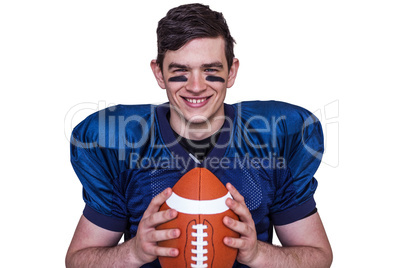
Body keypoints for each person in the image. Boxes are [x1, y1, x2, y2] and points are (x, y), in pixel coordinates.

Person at [66, 3, 332, 268]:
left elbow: (318, 256)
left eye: (211, 71)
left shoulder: (273, 139)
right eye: (180, 72)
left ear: (232, 71)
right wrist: (133, 252)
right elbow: (78, 260)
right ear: (159, 73)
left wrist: (258, 253)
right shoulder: (122, 143)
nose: (196, 86)